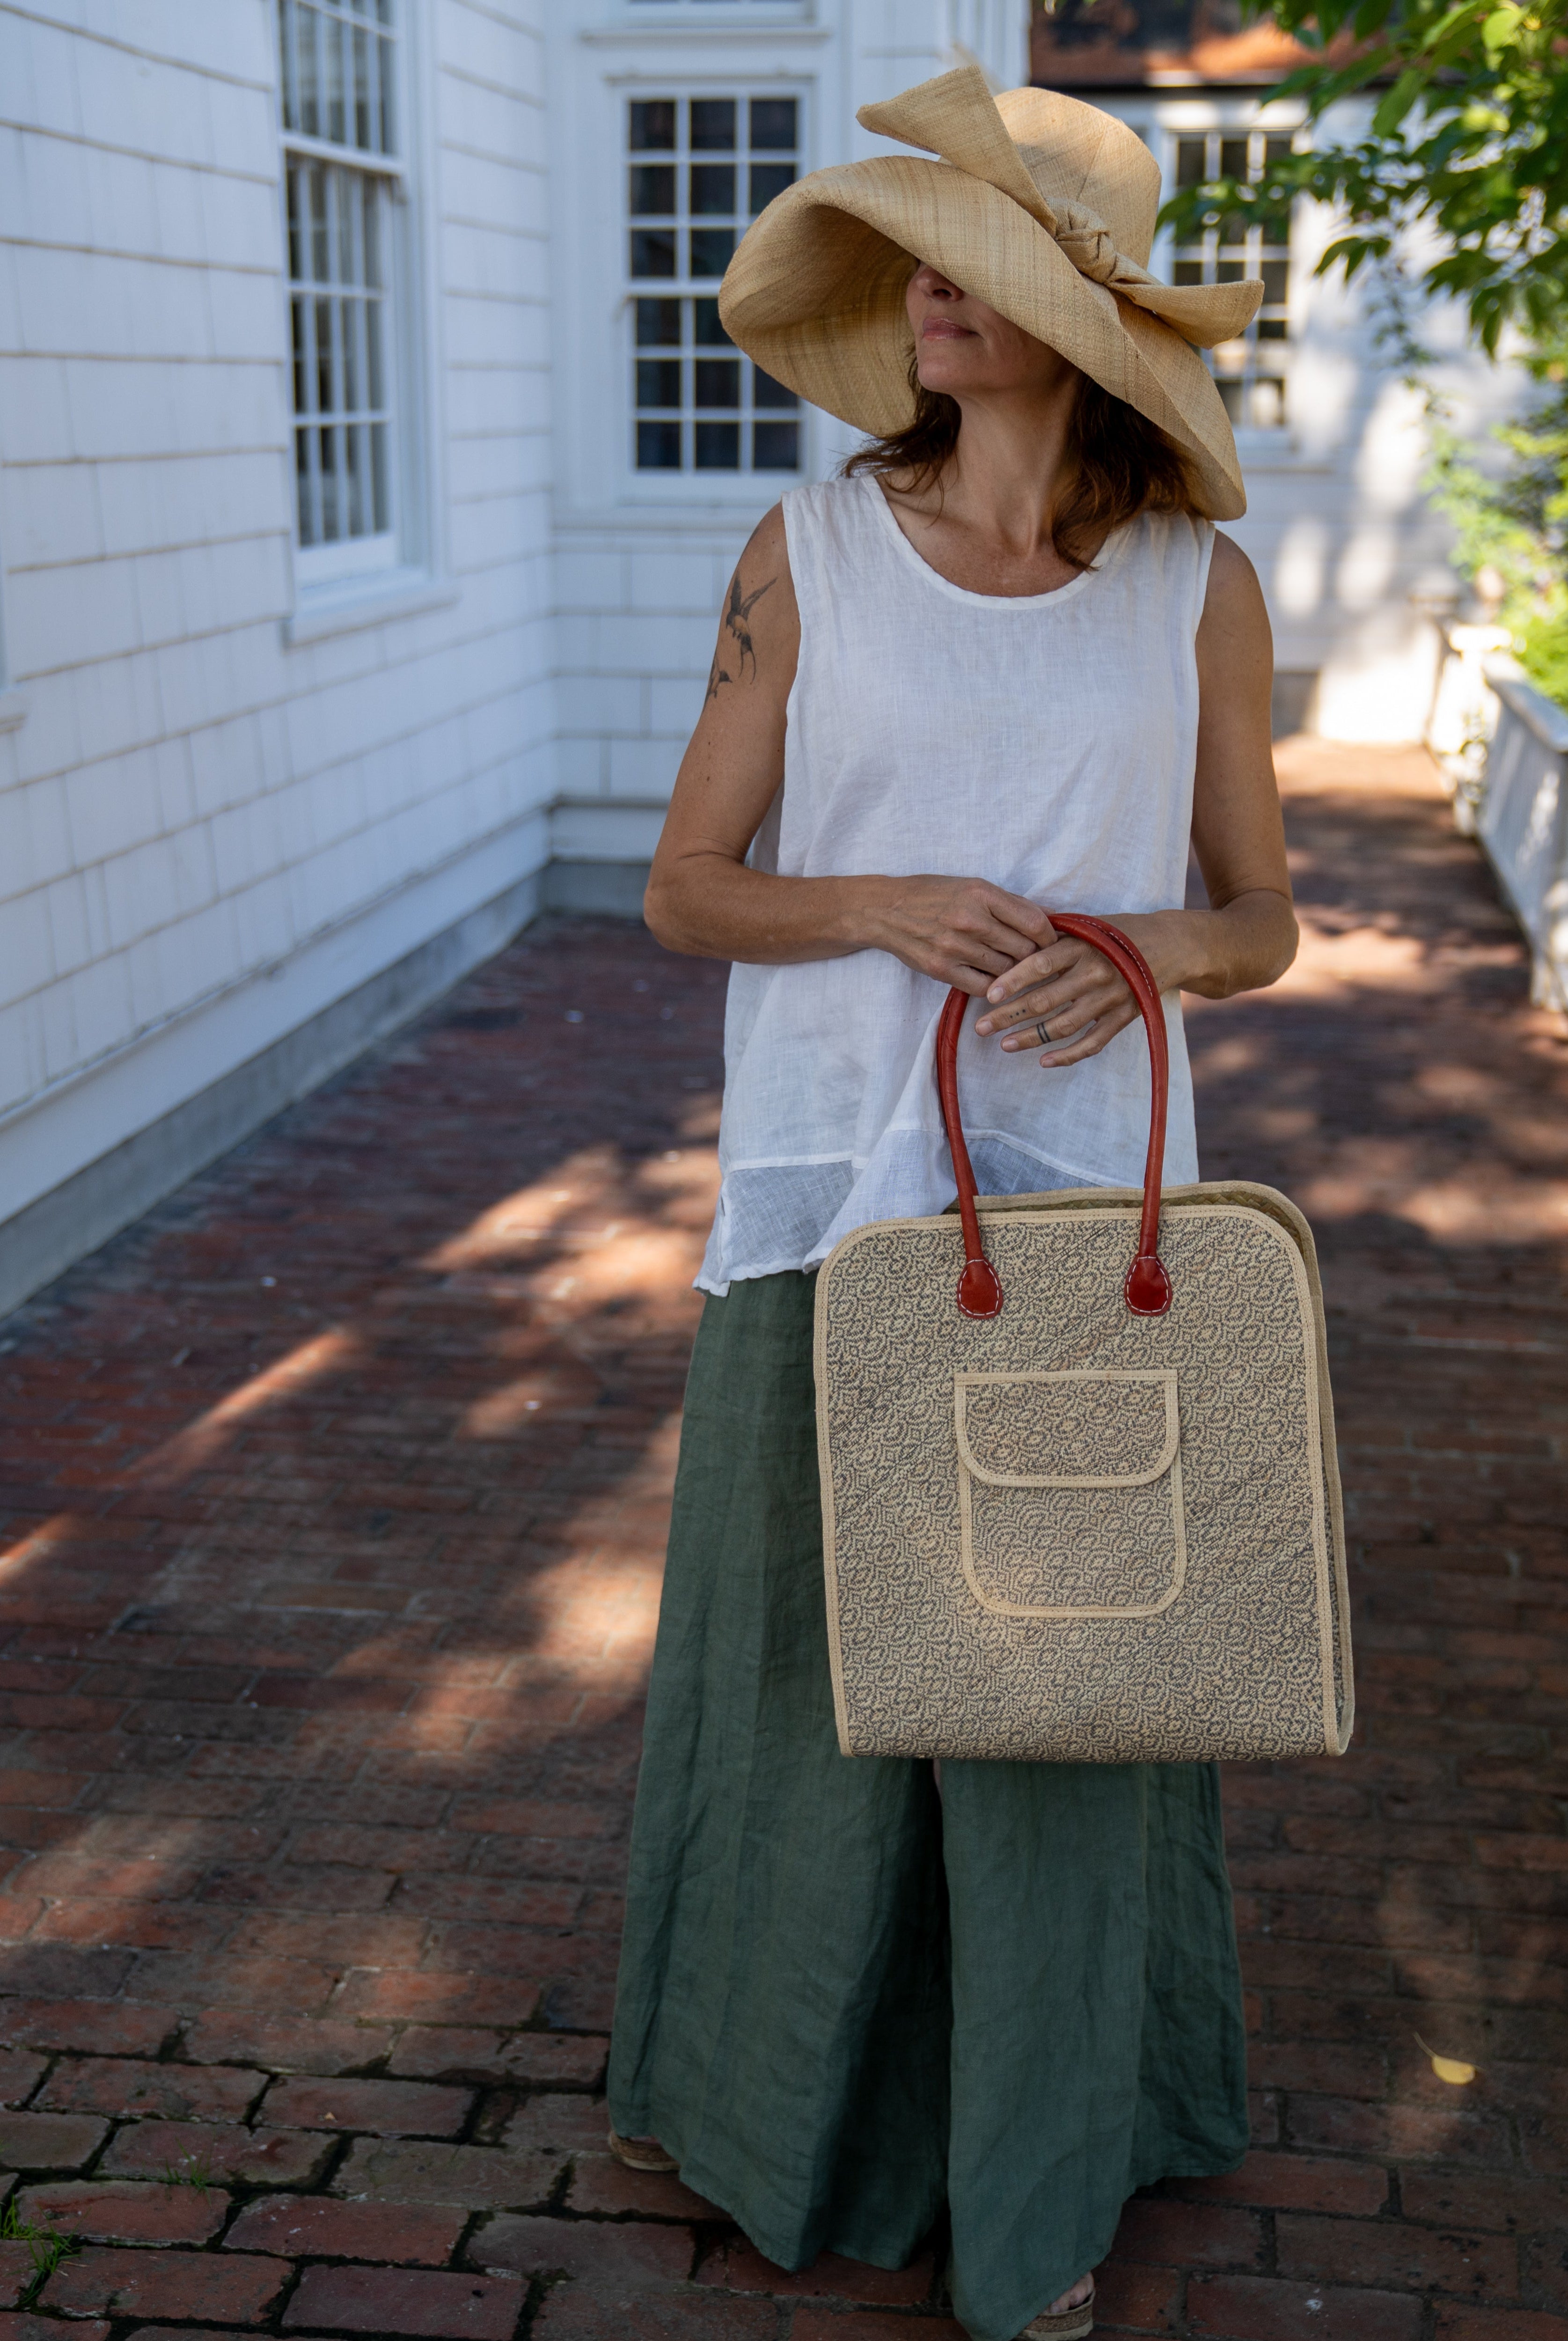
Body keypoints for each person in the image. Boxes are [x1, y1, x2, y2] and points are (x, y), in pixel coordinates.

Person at [605, 66, 1297, 2341]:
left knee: (1058, 1696)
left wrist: (1139, 958)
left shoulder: (1198, 589)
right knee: (818, 1685)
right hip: (840, 1201)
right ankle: (766, 2103)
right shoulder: (798, 558)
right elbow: (687, 897)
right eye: (909, 253)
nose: (920, 292)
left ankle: (1040, 2167)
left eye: (970, 265)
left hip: (1094, 1215)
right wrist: (884, 903)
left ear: (1077, 326)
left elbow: (1260, 917)